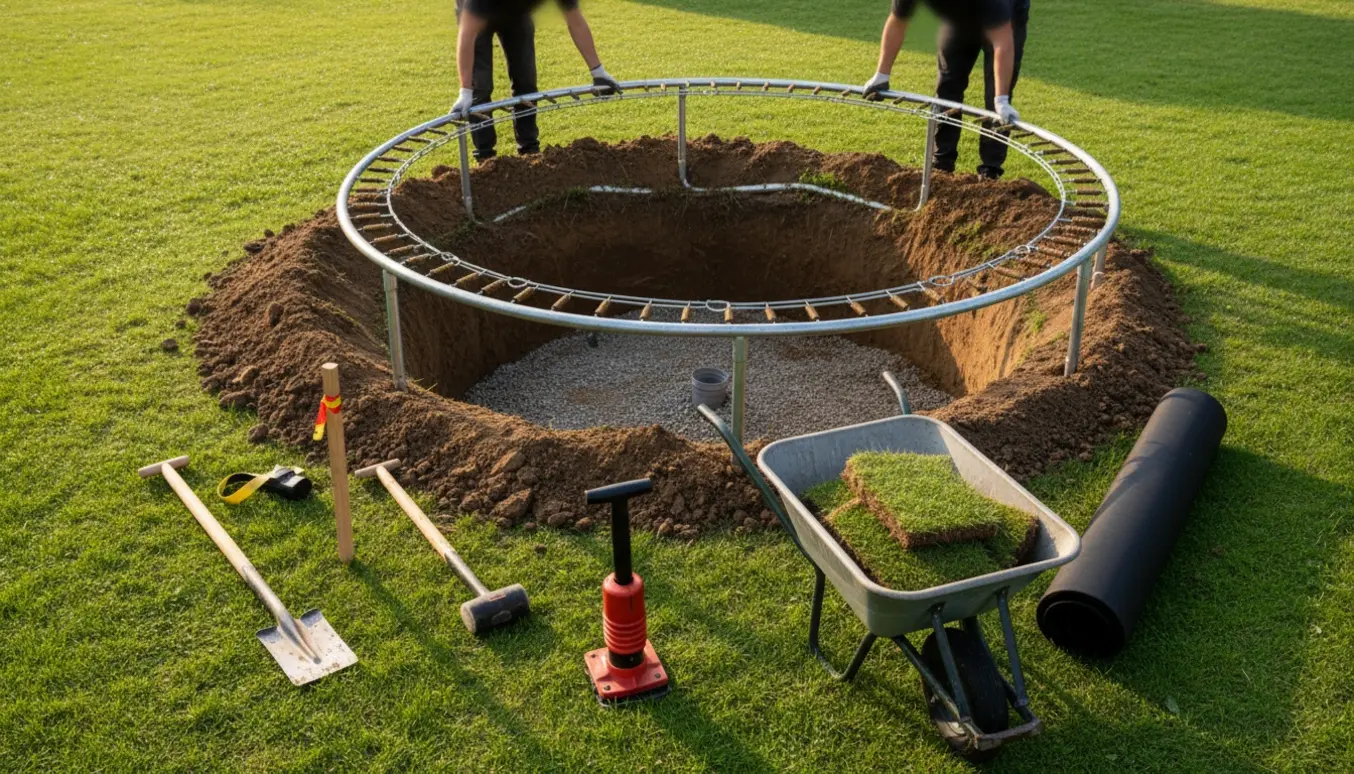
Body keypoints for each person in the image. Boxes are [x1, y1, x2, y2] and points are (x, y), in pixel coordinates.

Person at [863, 0, 1028, 180]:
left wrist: (1001, 100)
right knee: (947, 86)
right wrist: (882, 75)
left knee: (995, 98)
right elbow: (898, 20)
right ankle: (942, 164)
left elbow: (1002, 43)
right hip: (958, 19)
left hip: (1006, 16)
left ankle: (990, 170)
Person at [450, 0, 621, 161]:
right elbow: (467, 34)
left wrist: (598, 72)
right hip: (479, 12)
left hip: (516, 14)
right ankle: (485, 159)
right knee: (480, 87)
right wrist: (465, 91)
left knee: (526, 80)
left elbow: (575, 20)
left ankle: (529, 151)